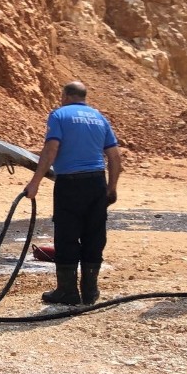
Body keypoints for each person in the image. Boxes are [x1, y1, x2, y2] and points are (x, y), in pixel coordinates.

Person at [25, 81, 122, 306]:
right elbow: (115, 158)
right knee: (94, 235)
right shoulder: (100, 118)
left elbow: (51, 149)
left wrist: (35, 182)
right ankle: (90, 292)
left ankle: (67, 292)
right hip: (97, 182)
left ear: (66, 95)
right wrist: (112, 188)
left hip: (70, 183)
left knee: (67, 235)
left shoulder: (59, 115)